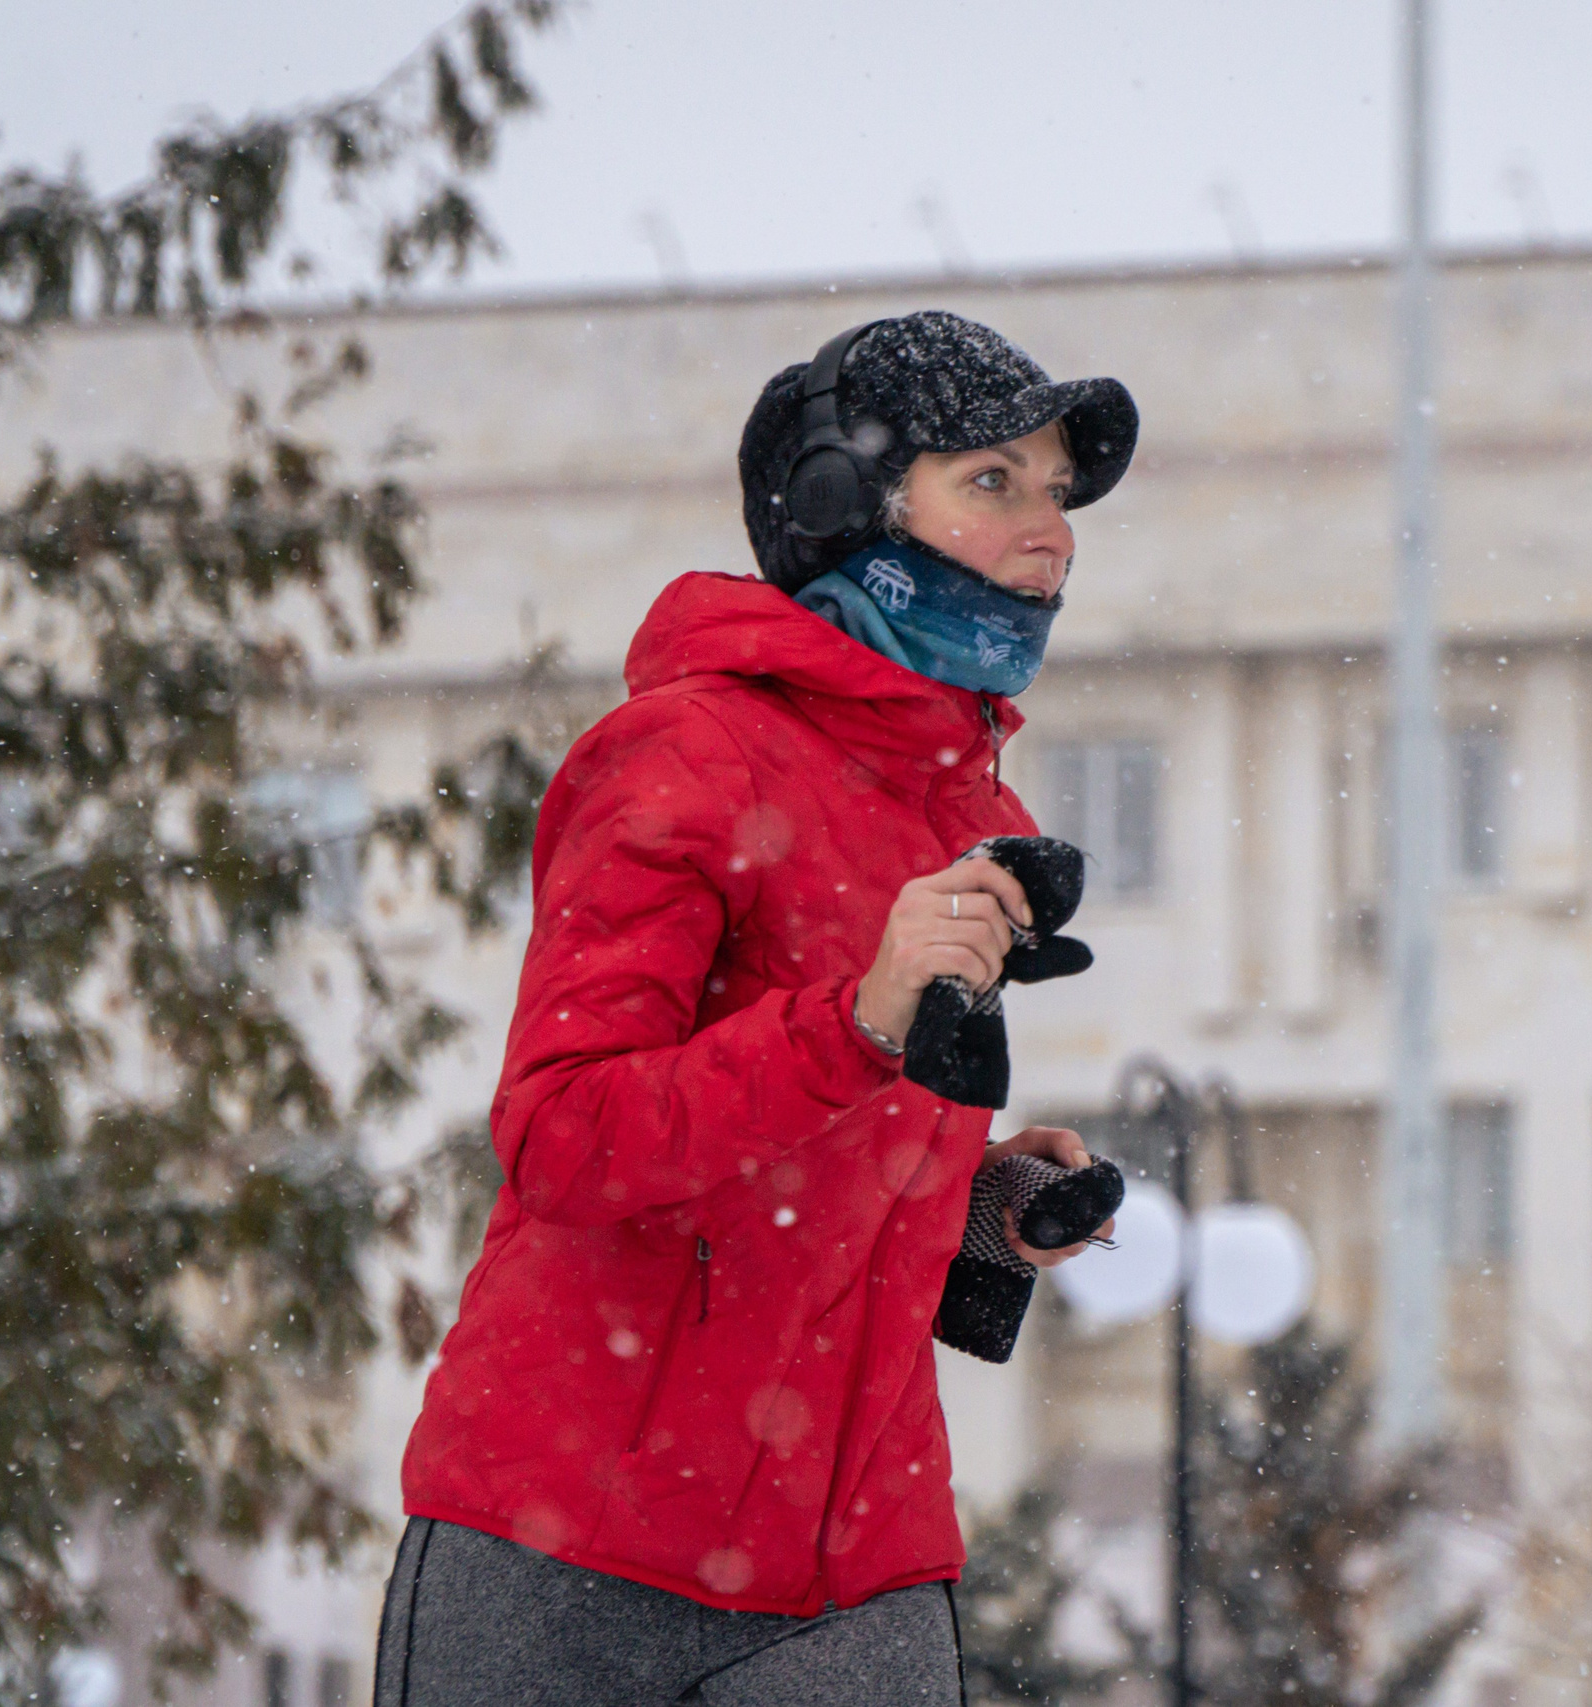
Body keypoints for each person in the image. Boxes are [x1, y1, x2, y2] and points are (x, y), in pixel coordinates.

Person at [373, 312, 1139, 1706]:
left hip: (857, 1569)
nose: (1053, 532)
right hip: (568, 1551)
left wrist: (979, 1209)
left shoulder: (971, 815)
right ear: (845, 502)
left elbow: (807, 1178)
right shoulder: (688, 755)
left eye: (1056, 491)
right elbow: (564, 1138)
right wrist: (858, 1025)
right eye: (994, 481)